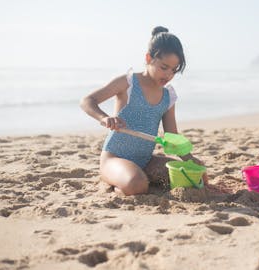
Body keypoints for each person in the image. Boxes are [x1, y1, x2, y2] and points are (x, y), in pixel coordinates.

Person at [80, 26, 204, 195]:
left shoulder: (169, 96)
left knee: (199, 178)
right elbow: (87, 101)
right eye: (164, 67)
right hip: (115, 158)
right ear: (148, 58)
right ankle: (119, 182)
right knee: (137, 184)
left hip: (145, 161)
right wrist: (104, 118)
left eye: (173, 70)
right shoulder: (128, 83)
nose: (168, 74)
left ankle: (136, 177)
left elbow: (172, 136)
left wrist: (190, 159)